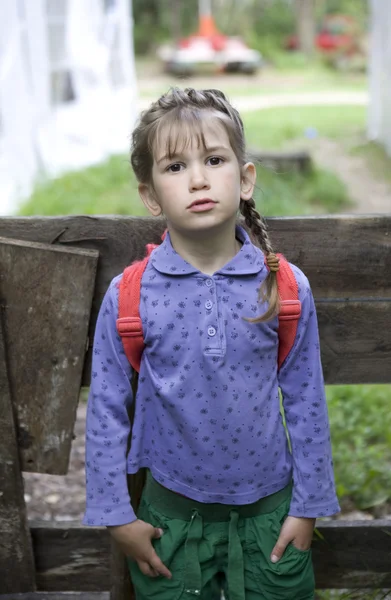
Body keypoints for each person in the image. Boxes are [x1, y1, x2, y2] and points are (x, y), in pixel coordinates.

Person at [84, 87, 340, 600]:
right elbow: (107, 409)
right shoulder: (130, 294)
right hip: (170, 520)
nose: (198, 178)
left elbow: (307, 402)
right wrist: (116, 515)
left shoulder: (284, 287)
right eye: (175, 167)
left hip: (272, 514)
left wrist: (306, 506)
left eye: (214, 159)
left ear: (245, 179)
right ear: (151, 195)